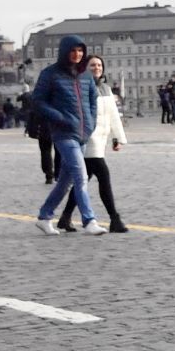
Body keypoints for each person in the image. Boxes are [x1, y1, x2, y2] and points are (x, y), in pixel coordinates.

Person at [32, 35, 106, 235]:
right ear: (65, 52)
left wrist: (89, 124)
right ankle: (89, 220)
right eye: (73, 50)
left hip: (82, 133)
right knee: (81, 176)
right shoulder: (50, 74)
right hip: (63, 133)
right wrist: (60, 117)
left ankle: (45, 216)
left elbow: (92, 100)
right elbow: (38, 101)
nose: (77, 54)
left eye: (80, 50)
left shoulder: (86, 75)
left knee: (66, 181)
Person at [58, 55, 129, 234]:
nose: (97, 68)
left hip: (101, 139)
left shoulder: (105, 88)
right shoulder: (80, 87)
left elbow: (113, 115)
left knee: (84, 179)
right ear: (84, 68)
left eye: (99, 65)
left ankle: (65, 217)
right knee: (103, 175)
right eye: (92, 65)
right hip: (87, 138)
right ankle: (115, 219)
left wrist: (117, 138)